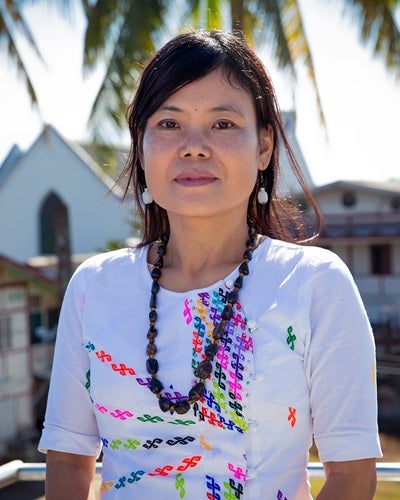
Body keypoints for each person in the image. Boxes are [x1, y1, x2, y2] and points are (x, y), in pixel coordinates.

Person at [39, 30, 382, 499]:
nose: (194, 146)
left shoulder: (314, 284)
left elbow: (352, 476)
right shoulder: (93, 287)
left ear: (263, 147)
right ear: (141, 147)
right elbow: (68, 462)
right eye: (168, 124)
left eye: (223, 124)